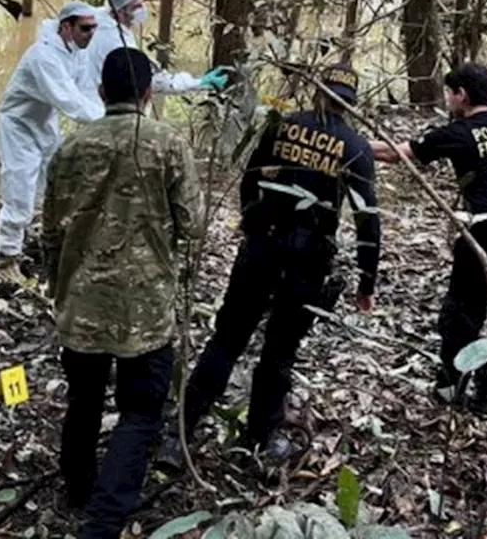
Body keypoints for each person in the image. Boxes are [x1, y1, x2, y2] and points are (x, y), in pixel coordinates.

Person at [163, 64, 380, 465]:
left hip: (262, 246)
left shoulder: (283, 125)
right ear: (350, 105)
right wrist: (367, 282)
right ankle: (262, 437)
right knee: (279, 350)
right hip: (308, 259)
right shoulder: (355, 146)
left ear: (316, 93)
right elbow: (368, 219)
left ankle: (179, 435)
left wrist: (252, 221)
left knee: (226, 340)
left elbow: (251, 178)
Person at [43, 47, 204, 537]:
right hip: (146, 308)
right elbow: (193, 224)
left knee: (84, 398)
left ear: (101, 92)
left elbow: (51, 230)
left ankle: (77, 486)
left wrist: (60, 288)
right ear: (149, 93)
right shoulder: (167, 144)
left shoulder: (72, 147)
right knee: (141, 412)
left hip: (83, 303)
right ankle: (105, 518)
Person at [371, 62, 487, 412]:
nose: (448, 100)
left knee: (462, 312)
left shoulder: (458, 133)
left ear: (461, 95)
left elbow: (393, 153)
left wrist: (345, 142)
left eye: (450, 94)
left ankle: (453, 386)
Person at [0, 2, 104, 282]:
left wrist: (108, 114)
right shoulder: (42, 56)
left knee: (58, 182)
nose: (91, 33)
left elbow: (84, 93)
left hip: (44, 124)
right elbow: (68, 100)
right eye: (85, 28)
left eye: (94, 27)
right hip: (17, 125)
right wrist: (111, 122)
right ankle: (6, 258)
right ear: (66, 27)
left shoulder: (77, 53)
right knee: (19, 187)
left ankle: (51, 243)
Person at [82, 0, 229, 106]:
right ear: (120, 11)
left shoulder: (96, 19)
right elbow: (148, 80)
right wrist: (197, 83)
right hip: (104, 106)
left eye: (142, 4)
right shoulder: (116, 41)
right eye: (136, 7)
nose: (143, 10)